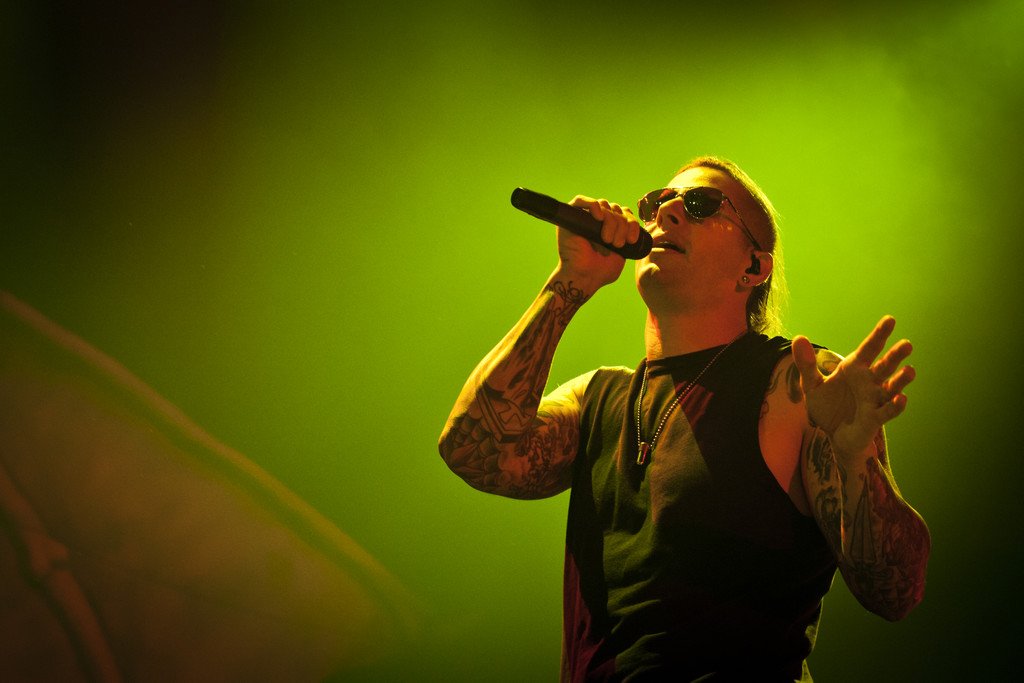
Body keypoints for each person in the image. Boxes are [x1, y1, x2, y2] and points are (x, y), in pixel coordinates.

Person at [437, 156, 930, 681]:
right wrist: (571, 281)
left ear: (754, 268)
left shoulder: (796, 382)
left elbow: (894, 592)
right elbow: (474, 451)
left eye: (699, 204)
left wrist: (855, 460)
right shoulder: (598, 397)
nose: (666, 212)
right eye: (656, 203)